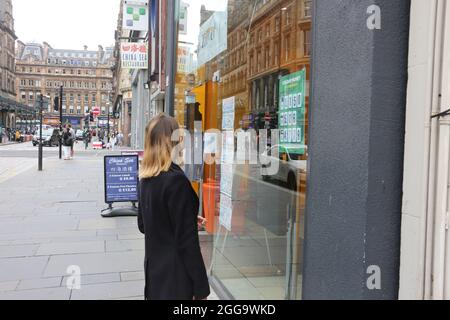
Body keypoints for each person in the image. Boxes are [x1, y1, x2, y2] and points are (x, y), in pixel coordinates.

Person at [137, 114, 210, 300]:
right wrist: (201, 288)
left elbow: (144, 225)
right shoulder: (176, 181)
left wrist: (185, 217)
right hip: (177, 279)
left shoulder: (145, 178)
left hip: (155, 275)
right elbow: (187, 243)